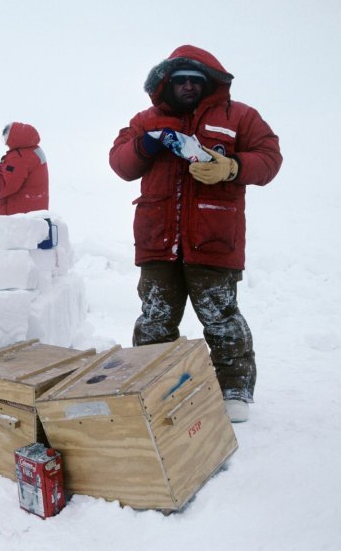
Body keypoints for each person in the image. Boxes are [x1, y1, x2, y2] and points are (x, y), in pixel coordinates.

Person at [108, 45, 282, 423]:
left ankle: (234, 390)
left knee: (221, 319)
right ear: (166, 83)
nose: (188, 86)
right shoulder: (145, 119)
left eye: (196, 81)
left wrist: (231, 167)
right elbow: (120, 163)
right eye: (181, 80)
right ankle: (152, 386)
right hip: (158, 240)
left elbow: (270, 158)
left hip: (214, 240)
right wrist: (146, 143)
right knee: (154, 319)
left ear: (210, 84)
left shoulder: (241, 117)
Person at [0, 122, 49, 215]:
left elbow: (6, 187)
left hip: (19, 214)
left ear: (14, 138)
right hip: (36, 208)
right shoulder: (34, 150)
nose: (5, 142)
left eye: (6, 137)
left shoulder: (18, 158)